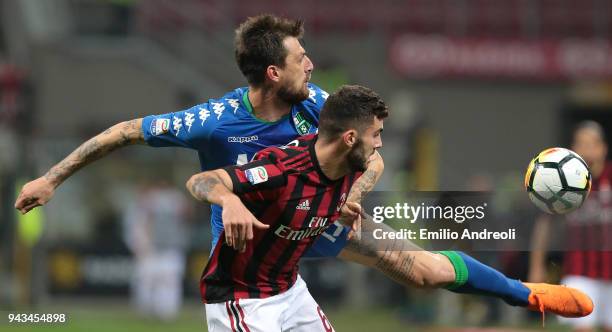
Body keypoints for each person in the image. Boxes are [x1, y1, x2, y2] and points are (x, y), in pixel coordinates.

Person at [15, 14, 592, 321]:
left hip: (318, 220)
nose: (311, 64)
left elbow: (373, 150)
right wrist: (52, 178)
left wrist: (358, 190)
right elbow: (125, 131)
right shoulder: (213, 122)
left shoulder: (318, 106)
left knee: (423, 270)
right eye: (300, 59)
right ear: (271, 73)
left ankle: (528, 294)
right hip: (255, 245)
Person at [530, 120, 612, 332]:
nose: (587, 149)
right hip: (579, 270)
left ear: (603, 148)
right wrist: (537, 266)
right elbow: (544, 224)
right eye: (581, 144)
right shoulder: (561, 180)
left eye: (591, 143)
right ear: (573, 149)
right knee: (580, 327)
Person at [123, 181, 190, 321]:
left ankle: (167, 313)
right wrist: (141, 246)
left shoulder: (174, 200)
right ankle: (145, 311)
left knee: (169, 281)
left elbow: (186, 213)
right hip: (151, 248)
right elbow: (138, 228)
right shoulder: (142, 206)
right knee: (146, 281)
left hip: (171, 248)